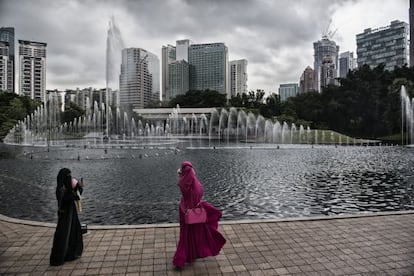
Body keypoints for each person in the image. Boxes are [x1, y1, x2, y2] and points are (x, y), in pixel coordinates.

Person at [173, 161, 226, 269]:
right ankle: (183, 258)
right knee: (196, 234)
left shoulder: (182, 182)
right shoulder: (195, 184)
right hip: (193, 212)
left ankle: (183, 257)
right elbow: (198, 195)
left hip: (184, 211)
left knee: (185, 235)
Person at [50, 168, 84, 266]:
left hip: (71, 213)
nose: (70, 178)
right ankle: (59, 257)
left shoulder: (67, 187)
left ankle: (71, 254)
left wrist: (79, 187)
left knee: (73, 232)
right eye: (68, 176)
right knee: (63, 235)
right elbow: (66, 200)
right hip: (65, 215)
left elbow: (75, 194)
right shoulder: (61, 189)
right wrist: (74, 196)